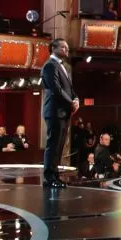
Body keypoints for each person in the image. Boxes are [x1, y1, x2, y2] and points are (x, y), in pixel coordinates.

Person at [41, 38, 78, 188]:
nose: (66, 50)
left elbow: (69, 88)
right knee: (53, 145)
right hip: (55, 111)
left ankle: (54, 176)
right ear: (53, 48)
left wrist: (76, 99)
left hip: (64, 111)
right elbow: (56, 89)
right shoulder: (50, 65)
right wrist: (71, 103)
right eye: (63, 47)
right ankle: (49, 177)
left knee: (59, 146)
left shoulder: (64, 67)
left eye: (67, 47)